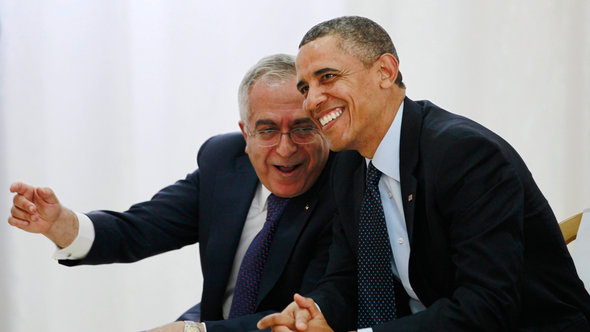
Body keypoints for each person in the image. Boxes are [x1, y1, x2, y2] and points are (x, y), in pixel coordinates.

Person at [258, 16, 590, 332]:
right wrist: (312, 312)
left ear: (385, 72)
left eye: (327, 77)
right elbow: (346, 278)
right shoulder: (348, 165)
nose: (312, 100)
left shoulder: (465, 155)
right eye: (305, 88)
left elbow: (487, 306)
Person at [8, 54, 335, 332]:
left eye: (303, 127)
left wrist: (197, 331)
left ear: (322, 125)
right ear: (245, 134)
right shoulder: (224, 162)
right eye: (267, 130)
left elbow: (313, 311)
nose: (285, 146)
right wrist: (61, 223)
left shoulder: (344, 186)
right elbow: (138, 229)